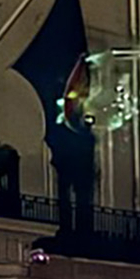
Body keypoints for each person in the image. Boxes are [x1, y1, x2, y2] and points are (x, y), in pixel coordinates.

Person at [49, 91, 98, 240]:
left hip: (78, 169)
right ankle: (71, 228)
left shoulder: (83, 134)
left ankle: (81, 228)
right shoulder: (69, 132)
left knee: (80, 197)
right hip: (71, 167)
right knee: (72, 197)